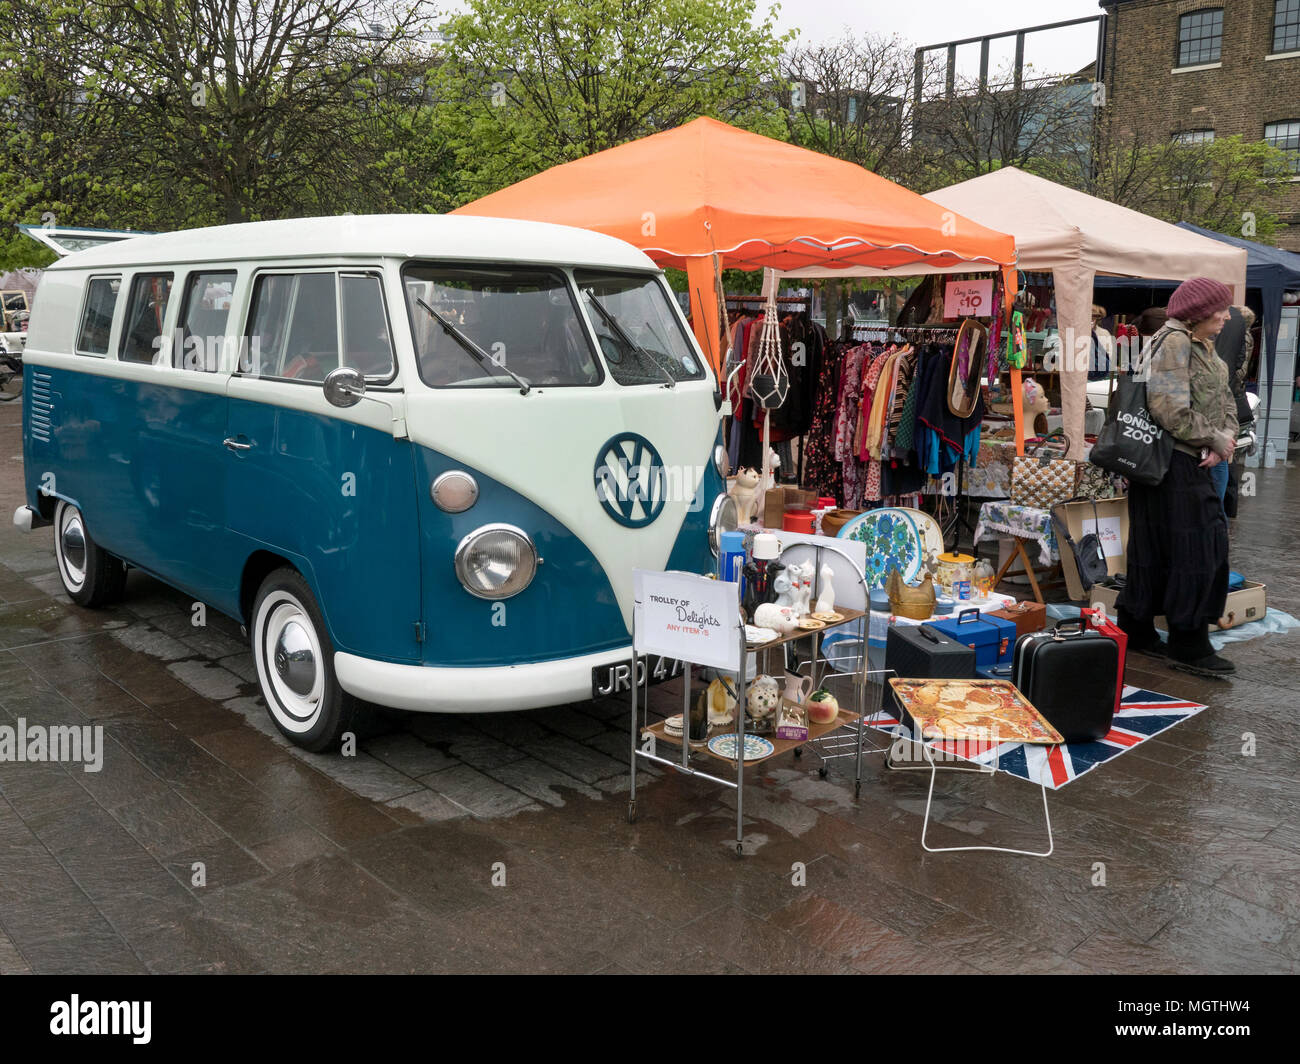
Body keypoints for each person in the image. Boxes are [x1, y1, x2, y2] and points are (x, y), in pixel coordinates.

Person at [1117, 277, 1237, 675]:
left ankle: (1136, 626)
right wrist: (1215, 439)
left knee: (1159, 546)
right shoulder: (1174, 342)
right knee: (1198, 548)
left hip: (1181, 460)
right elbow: (1168, 408)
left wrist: (1228, 436)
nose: (1226, 315)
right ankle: (1187, 641)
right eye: (1220, 308)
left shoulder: (1199, 342)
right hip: (1175, 464)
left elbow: (1224, 396)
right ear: (1200, 311)